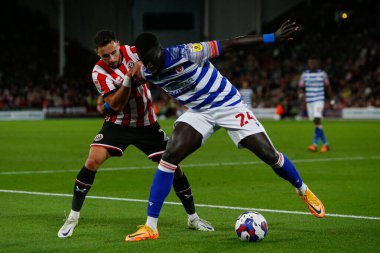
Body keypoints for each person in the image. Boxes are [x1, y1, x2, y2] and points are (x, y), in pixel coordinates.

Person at [124, 20, 326, 242]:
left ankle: (302, 190)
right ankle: (151, 226)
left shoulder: (187, 52)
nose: (151, 65)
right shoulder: (146, 71)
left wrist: (272, 37)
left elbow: (231, 43)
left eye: (153, 59)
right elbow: (129, 83)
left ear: (160, 50)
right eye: (146, 62)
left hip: (228, 105)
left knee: (269, 155)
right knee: (169, 157)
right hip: (199, 112)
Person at [57, 30, 214, 238]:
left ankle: (193, 218)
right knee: (93, 160)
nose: (111, 59)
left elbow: (159, 65)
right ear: (97, 53)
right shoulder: (98, 73)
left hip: (147, 124)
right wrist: (129, 79)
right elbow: (115, 104)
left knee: (174, 167)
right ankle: (73, 217)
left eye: (114, 52)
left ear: (119, 44)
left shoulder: (135, 53)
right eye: (105, 56)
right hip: (118, 125)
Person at [298, 57, 334, 152]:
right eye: (310, 62)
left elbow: (328, 87)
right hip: (309, 101)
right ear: (308, 63)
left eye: (314, 62)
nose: (312, 64)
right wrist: (301, 95)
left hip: (319, 100)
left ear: (317, 63)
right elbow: (301, 87)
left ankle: (317, 144)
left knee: (317, 118)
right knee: (316, 123)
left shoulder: (322, 74)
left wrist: (332, 100)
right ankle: (322, 144)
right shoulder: (304, 75)